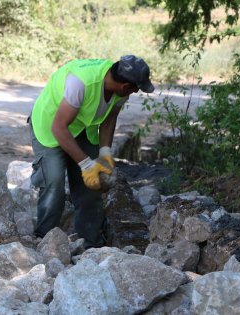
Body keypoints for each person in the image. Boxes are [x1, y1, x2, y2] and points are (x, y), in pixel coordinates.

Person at [28, 55, 154, 247]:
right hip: (51, 126)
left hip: (81, 128)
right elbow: (59, 128)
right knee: (53, 182)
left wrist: (104, 152)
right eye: (137, 88)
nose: (136, 92)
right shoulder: (80, 83)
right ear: (126, 86)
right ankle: (43, 241)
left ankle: (89, 243)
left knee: (92, 186)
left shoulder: (120, 89)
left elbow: (109, 118)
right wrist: (86, 164)